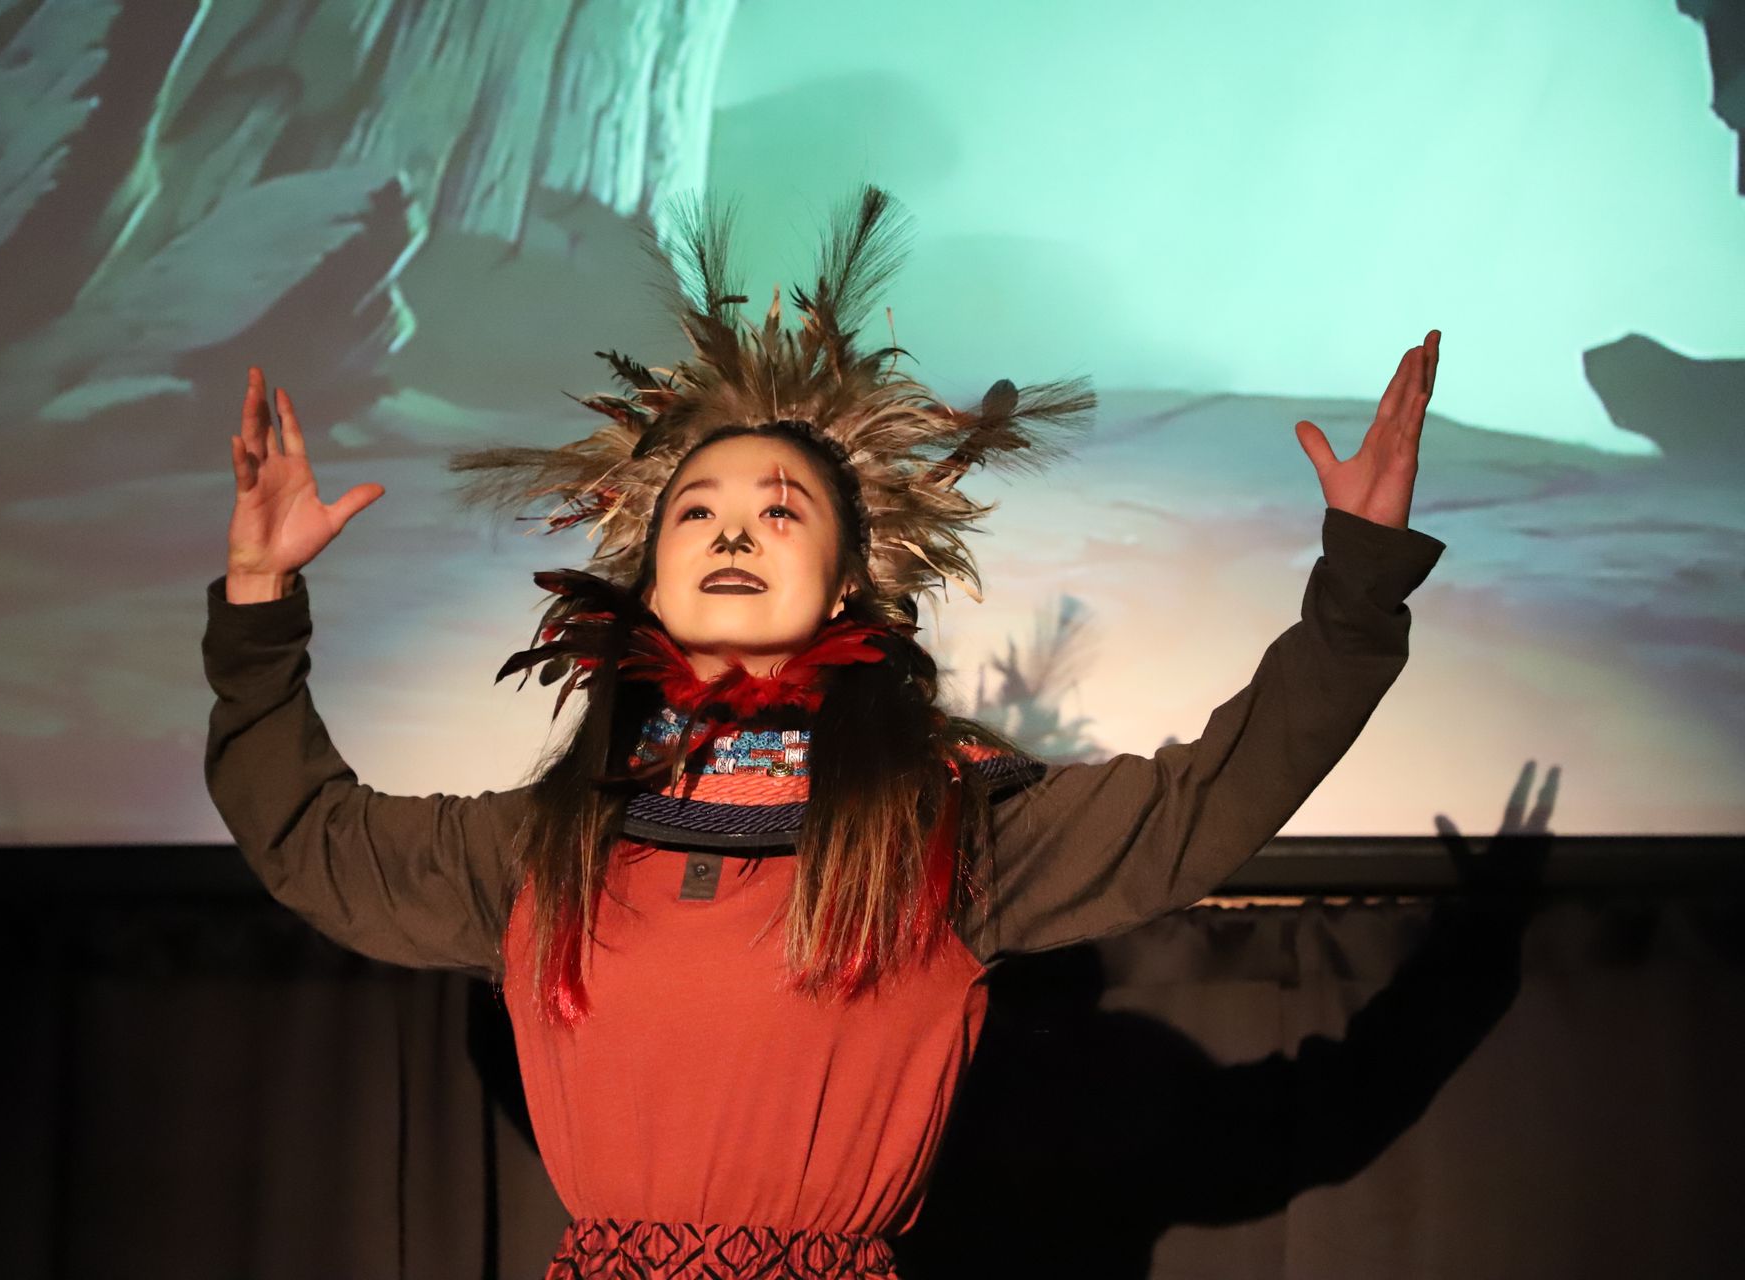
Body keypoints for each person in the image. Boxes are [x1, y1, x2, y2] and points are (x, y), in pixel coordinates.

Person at [202, 188, 1445, 1279]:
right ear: (644, 576)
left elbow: (1198, 808)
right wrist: (259, 610)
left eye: (778, 508)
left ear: (852, 587)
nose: (732, 533)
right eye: (696, 511)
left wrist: (1358, 585)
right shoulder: (553, 847)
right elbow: (316, 838)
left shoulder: (939, 828)